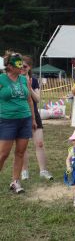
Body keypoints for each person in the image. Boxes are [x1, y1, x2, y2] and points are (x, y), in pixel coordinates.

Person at [0, 52, 37, 193]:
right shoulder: (1, 79)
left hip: (25, 119)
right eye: (18, 64)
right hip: (7, 120)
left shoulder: (23, 80)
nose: (21, 66)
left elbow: (29, 100)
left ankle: (15, 181)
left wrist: (33, 119)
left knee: (20, 152)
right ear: (9, 66)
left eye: (22, 63)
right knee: (3, 154)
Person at [20, 56, 53, 180]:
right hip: (21, 116)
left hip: (35, 115)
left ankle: (43, 171)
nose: (22, 68)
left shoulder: (33, 80)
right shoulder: (15, 80)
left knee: (39, 143)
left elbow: (37, 99)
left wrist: (29, 88)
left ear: (29, 68)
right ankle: (24, 171)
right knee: (23, 145)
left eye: (25, 66)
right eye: (20, 66)